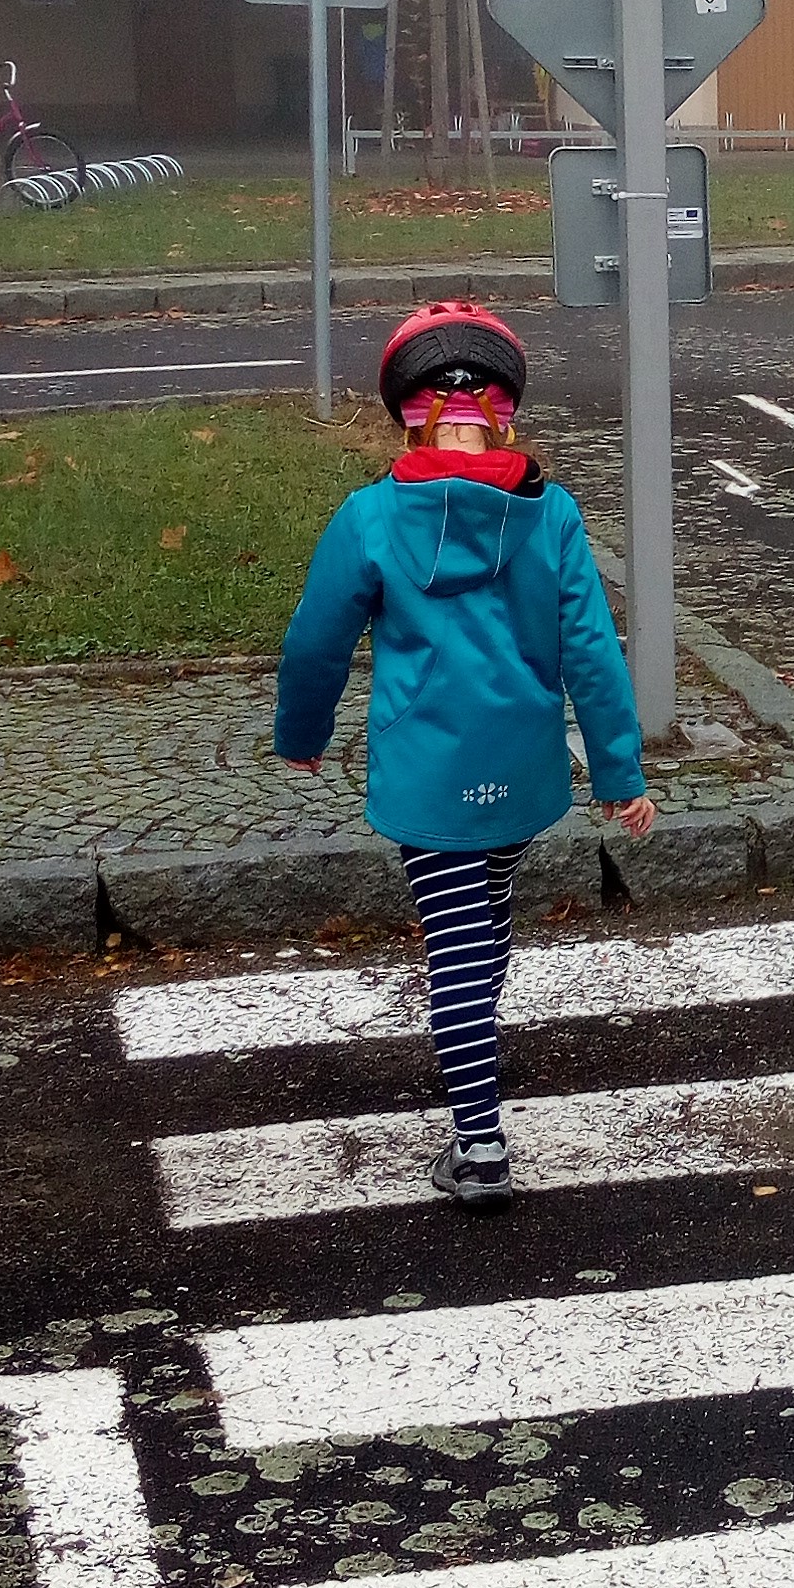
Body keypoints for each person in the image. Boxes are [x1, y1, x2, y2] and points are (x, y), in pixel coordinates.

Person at [274, 303, 654, 1203]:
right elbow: (592, 651)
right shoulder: (552, 516)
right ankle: (474, 1048)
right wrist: (617, 772)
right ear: (505, 414)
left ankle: (479, 1146)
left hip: (427, 771)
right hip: (521, 766)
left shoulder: (371, 518)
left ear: (406, 416)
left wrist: (303, 734)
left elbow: (317, 641)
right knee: (487, 917)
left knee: (454, 944)